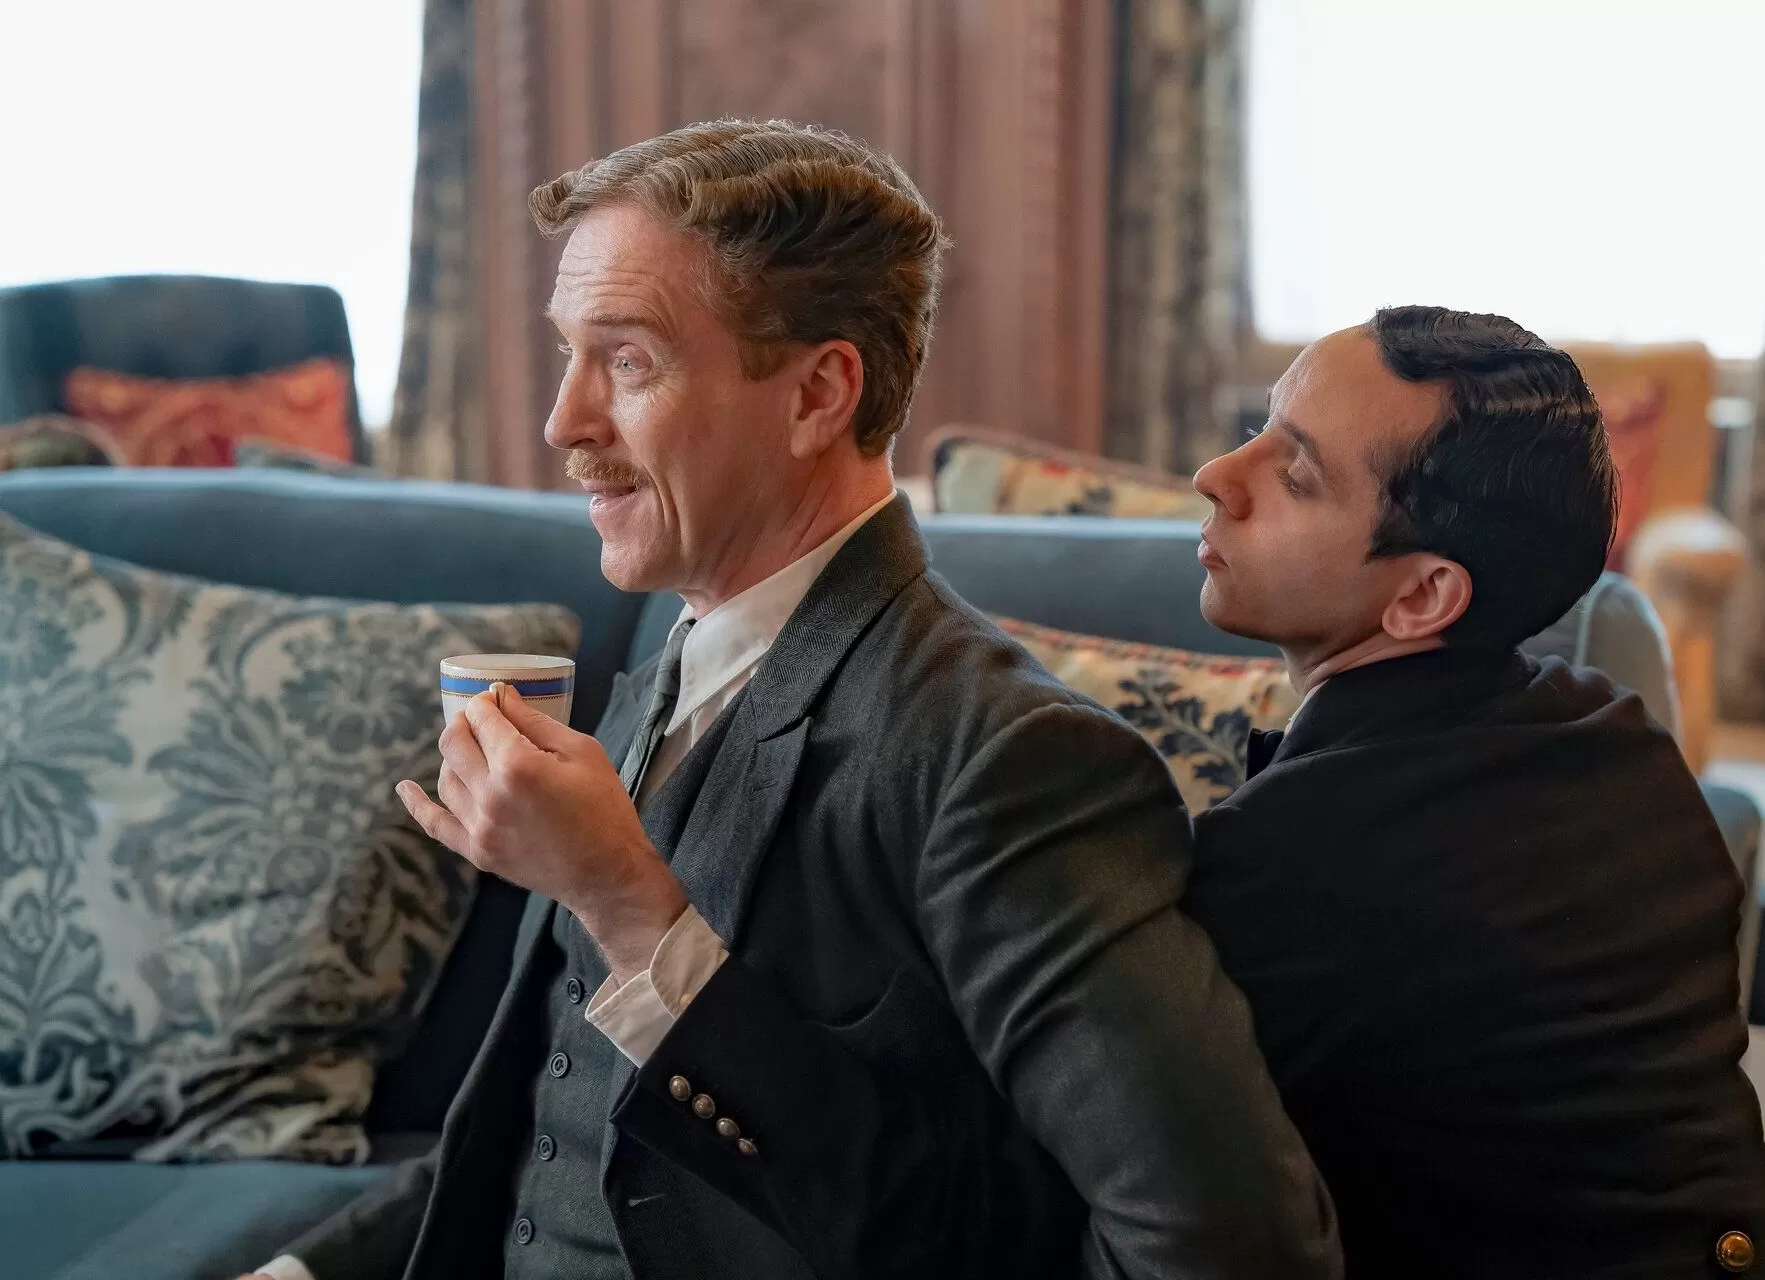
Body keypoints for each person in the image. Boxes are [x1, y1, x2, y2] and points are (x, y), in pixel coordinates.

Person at [247, 120, 1339, 1280]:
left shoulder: (1012, 760)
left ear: (817, 394)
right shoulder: (655, 683)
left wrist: (628, 904)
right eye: (569, 353)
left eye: (628, 361)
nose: (564, 421)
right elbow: (528, 1132)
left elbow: (1232, 1249)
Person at [1179, 305, 1765, 1279]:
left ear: (1422, 596)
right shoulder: (1611, 736)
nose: (1215, 475)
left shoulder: (1299, 861)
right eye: (1259, 428)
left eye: (1295, 475)